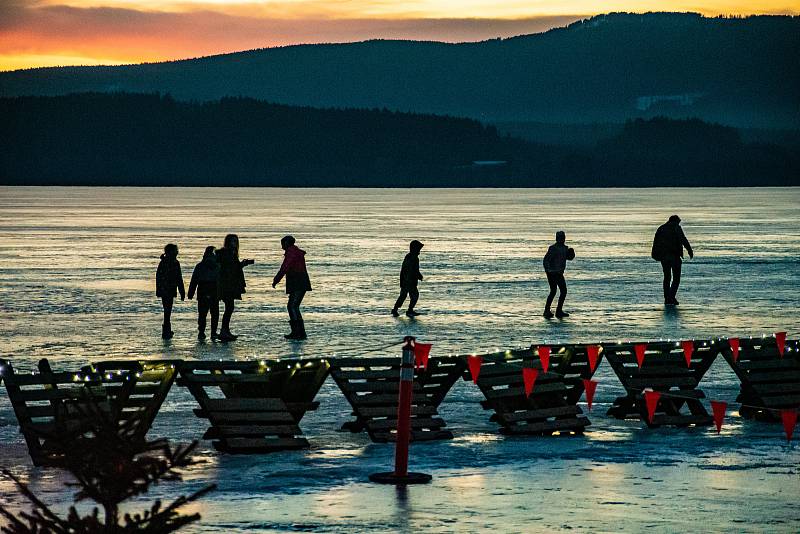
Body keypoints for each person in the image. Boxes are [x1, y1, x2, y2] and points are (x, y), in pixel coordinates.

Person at [272, 235, 312, 340]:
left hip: (297, 281)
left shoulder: (291, 253)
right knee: (294, 306)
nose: (282, 247)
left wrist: (276, 280)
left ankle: (297, 332)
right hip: (300, 281)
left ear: (286, 243)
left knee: (292, 306)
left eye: (282, 244)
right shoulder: (296, 252)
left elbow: (285, 267)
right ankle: (300, 332)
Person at [216, 234, 254, 341]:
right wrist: (240, 265)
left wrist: (241, 265)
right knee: (229, 307)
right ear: (228, 242)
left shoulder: (230, 254)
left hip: (230, 284)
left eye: (236, 241)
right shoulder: (227, 254)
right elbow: (229, 270)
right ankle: (224, 331)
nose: (235, 243)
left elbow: (233, 268)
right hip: (228, 285)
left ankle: (225, 330)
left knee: (229, 308)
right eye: (233, 241)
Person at [651, 215, 694, 305]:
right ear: (675, 221)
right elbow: (683, 239)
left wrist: (655, 254)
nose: (679, 224)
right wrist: (689, 250)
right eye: (678, 222)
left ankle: (668, 298)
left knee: (667, 277)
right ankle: (671, 297)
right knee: (676, 278)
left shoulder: (661, 228)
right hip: (674, 256)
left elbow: (656, 242)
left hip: (664, 257)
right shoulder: (676, 228)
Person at [188, 246, 220, 341]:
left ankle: (203, 332)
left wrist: (190, 293)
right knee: (212, 313)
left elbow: (194, 280)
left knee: (204, 314)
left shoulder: (201, 265)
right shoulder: (217, 265)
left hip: (206, 290)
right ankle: (210, 332)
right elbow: (194, 280)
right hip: (209, 290)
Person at [155, 243, 185, 339]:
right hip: (168, 289)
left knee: (167, 310)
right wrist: (182, 291)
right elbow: (178, 278)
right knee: (168, 310)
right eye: (176, 250)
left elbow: (158, 277)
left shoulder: (163, 262)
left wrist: (159, 290)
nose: (177, 252)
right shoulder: (174, 262)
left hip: (164, 289)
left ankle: (166, 330)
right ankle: (166, 331)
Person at [543, 231, 575, 319]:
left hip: (559, 272)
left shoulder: (564, 248)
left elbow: (569, 258)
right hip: (552, 273)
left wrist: (571, 254)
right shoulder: (553, 248)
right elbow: (546, 260)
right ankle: (548, 310)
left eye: (563, 237)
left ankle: (558, 310)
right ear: (557, 238)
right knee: (555, 291)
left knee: (561, 291)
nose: (562, 239)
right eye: (561, 237)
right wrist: (548, 270)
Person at [391, 240, 424, 317]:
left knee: (404, 296)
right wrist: (416, 277)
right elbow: (410, 270)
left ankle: (396, 310)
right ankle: (408, 310)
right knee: (413, 295)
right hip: (408, 281)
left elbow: (414, 270)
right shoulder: (412, 258)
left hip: (407, 281)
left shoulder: (411, 257)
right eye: (418, 248)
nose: (419, 250)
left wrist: (418, 275)